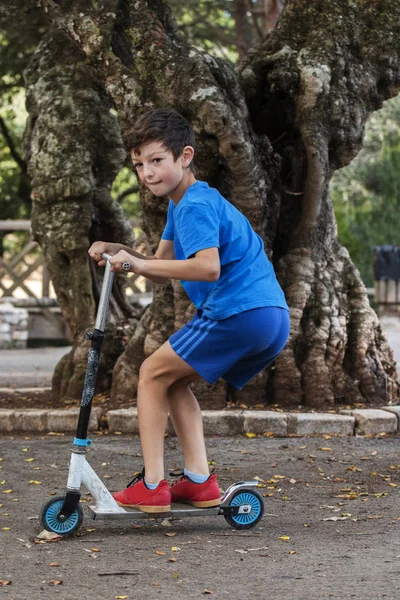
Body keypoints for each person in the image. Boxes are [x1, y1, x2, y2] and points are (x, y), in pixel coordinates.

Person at [88, 108, 290, 513]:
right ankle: (198, 482)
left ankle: (152, 484)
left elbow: (206, 266)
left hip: (238, 312)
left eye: (156, 161)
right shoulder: (184, 205)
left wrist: (140, 265)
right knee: (173, 382)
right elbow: (161, 267)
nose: (147, 172)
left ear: (184, 156)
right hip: (267, 316)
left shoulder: (194, 204)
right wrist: (120, 251)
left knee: (149, 373)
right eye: (139, 164)